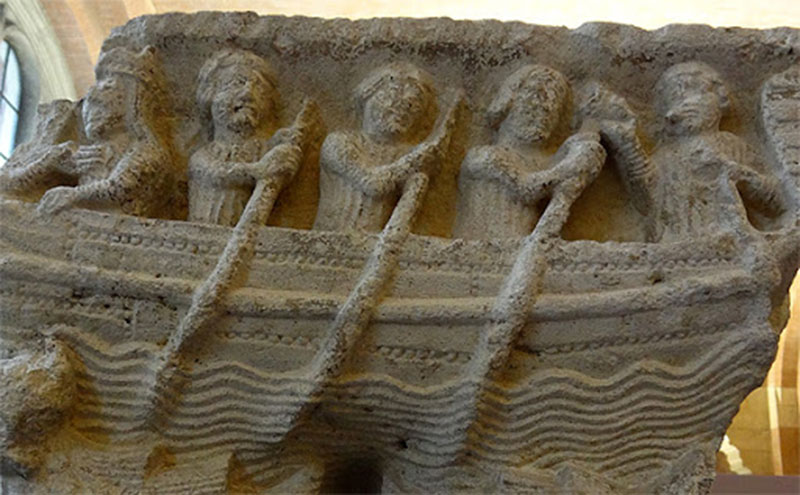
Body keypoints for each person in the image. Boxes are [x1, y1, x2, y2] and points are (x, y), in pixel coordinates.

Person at [581, 62, 783, 241]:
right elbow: (646, 199)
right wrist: (628, 145)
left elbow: (775, 202)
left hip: (727, 242)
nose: (686, 103)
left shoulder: (733, 146)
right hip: (673, 243)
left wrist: (738, 173)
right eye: (676, 98)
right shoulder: (667, 155)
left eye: (696, 92)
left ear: (720, 99)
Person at [7, 46, 179, 218]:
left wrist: (73, 195)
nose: (90, 115)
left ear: (131, 103)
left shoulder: (147, 150)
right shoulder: (89, 151)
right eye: (89, 110)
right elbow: (8, 184)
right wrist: (48, 163)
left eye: (108, 88)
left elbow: (121, 187)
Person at [453, 64, 606, 240]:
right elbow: (527, 189)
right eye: (535, 96)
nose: (545, 108)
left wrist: (583, 148)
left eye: (555, 103)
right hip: (484, 249)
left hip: (525, 249)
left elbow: (562, 168)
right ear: (508, 102)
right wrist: (571, 167)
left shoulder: (548, 163)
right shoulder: (484, 156)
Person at [313, 62, 448, 232]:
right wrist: (414, 161)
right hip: (331, 239)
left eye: (413, 104)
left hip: (378, 243)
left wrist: (421, 175)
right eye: (390, 97)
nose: (401, 109)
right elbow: (372, 184)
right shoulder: (339, 142)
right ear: (367, 97)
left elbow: (407, 211)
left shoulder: (408, 153)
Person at [187, 49, 304, 226]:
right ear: (209, 96)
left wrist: (281, 149)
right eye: (235, 83)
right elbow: (217, 173)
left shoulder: (263, 151)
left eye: (260, 90)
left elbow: (280, 171)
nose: (248, 94)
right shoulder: (203, 156)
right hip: (205, 232)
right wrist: (258, 170)